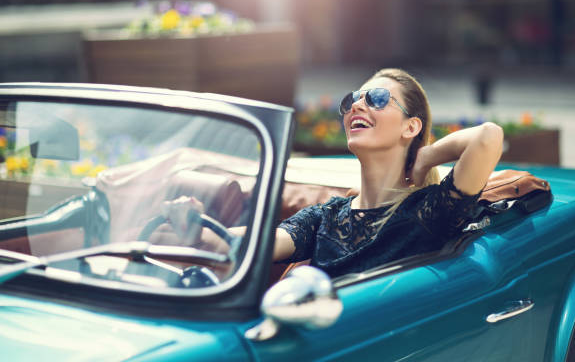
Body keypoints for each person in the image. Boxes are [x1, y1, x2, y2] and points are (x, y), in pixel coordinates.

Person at [159, 68, 504, 279]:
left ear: (410, 126)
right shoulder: (328, 216)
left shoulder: (427, 211)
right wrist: (195, 224)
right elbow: (252, 242)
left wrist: (426, 156)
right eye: (353, 99)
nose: (356, 105)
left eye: (378, 98)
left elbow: (488, 137)